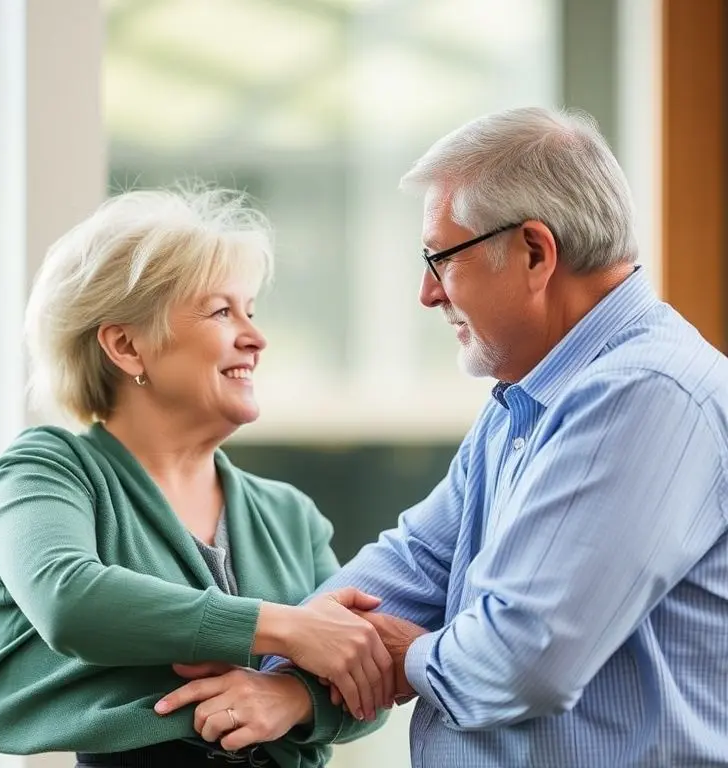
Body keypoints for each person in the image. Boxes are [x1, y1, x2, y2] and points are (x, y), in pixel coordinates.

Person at [259, 106, 728, 767]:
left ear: (535, 252)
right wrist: (288, 652)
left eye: (441, 259)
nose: (427, 293)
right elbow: (418, 563)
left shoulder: (647, 393)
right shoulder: (529, 396)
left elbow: (525, 657)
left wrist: (407, 655)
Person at [0, 188, 391, 768]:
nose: (256, 338)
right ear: (126, 345)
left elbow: (366, 673)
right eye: (221, 311)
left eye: (251, 311)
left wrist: (289, 696)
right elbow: (69, 600)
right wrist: (285, 629)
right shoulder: (47, 467)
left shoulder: (290, 514)